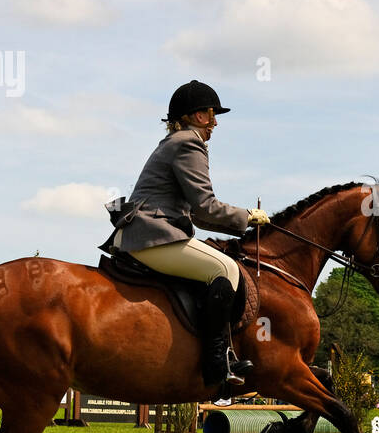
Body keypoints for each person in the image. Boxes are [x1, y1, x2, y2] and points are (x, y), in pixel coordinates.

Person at [100, 80, 270, 387]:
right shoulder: (188, 143)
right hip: (152, 234)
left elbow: (197, 214)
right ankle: (217, 364)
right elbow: (205, 207)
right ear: (197, 116)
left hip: (149, 232)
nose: (215, 123)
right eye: (211, 114)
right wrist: (246, 215)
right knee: (226, 269)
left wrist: (242, 226)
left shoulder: (176, 142)